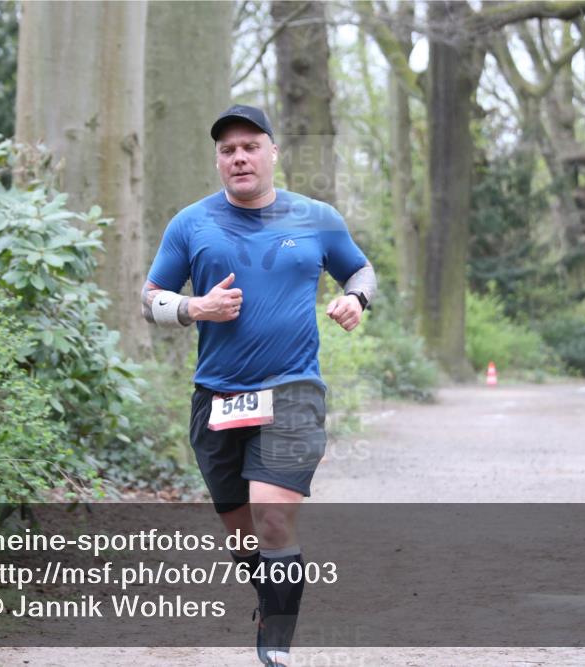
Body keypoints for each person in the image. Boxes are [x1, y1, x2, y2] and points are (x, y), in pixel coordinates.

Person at [141, 104, 376, 667]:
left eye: (250, 146)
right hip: (216, 397)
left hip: (293, 391)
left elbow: (360, 270)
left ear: (273, 153)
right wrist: (195, 307)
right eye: (228, 150)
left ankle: (276, 646)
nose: (239, 157)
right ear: (218, 161)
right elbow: (149, 298)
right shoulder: (190, 223)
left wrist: (355, 299)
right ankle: (272, 604)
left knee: (273, 516)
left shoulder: (316, 217)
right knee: (244, 534)